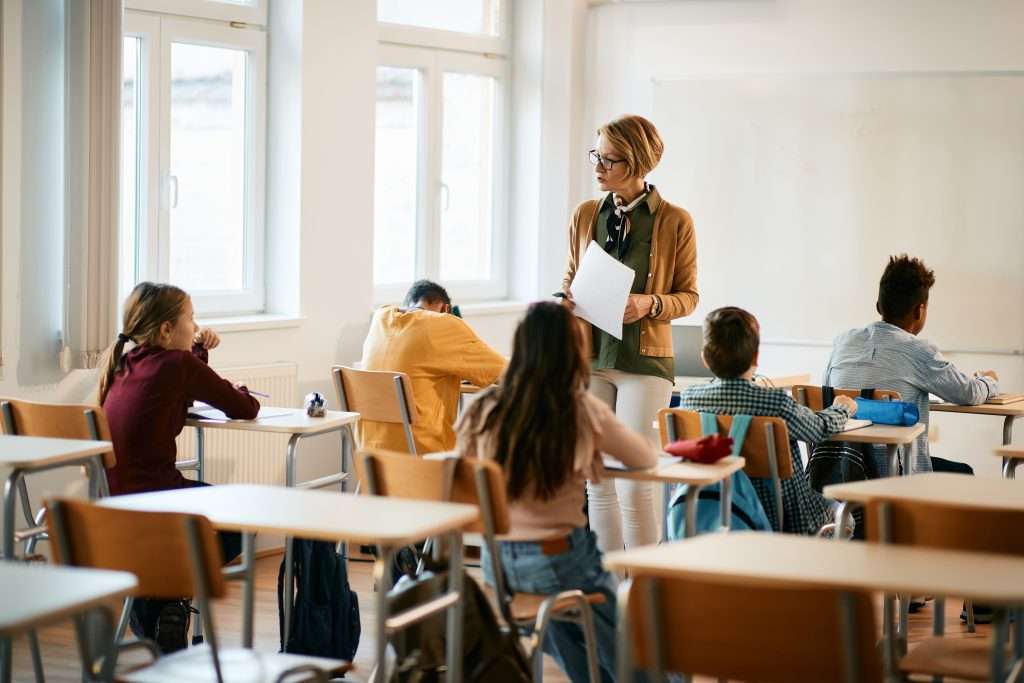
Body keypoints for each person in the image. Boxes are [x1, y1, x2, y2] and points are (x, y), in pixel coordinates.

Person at [457, 302, 657, 682]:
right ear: (573, 353)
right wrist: (588, 449)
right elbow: (644, 456)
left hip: (497, 564)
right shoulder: (578, 410)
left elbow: (462, 475)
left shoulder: (483, 410)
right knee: (628, 648)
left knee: (569, 636)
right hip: (561, 561)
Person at [561, 114, 699, 552]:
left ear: (637, 162)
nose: (598, 167)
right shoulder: (585, 215)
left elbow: (689, 296)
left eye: (609, 160)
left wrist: (649, 304)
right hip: (591, 357)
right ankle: (608, 586)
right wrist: (566, 298)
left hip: (644, 360)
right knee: (597, 480)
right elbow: (570, 276)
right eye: (595, 156)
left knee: (635, 482)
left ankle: (644, 589)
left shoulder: (675, 221)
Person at [98, 281, 259, 650]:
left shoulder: (124, 362)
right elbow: (243, 408)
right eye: (192, 318)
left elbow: (182, 384)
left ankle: (158, 602)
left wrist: (198, 350)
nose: (196, 325)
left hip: (115, 502)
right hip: (161, 497)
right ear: (167, 329)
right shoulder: (177, 363)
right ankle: (169, 594)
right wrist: (244, 389)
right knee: (248, 518)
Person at [679, 307, 857, 535]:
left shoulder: (689, 400)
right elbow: (819, 429)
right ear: (756, 357)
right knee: (845, 516)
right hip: (783, 517)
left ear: (704, 357)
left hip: (712, 515)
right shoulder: (774, 403)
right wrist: (843, 407)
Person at [824, 255, 998, 475]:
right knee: (964, 472)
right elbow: (970, 393)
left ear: (878, 305)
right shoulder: (919, 351)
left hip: (840, 475)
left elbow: (827, 395)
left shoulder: (843, 342)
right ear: (919, 311)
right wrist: (989, 379)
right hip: (897, 478)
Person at [360, 280, 506, 454]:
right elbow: (504, 372)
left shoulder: (381, 318)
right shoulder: (442, 324)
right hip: (423, 458)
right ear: (446, 309)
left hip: (370, 459)